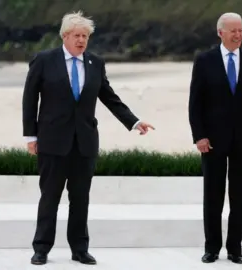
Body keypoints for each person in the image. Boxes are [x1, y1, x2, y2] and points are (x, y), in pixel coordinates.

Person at [22, 10, 154, 265]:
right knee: (50, 197)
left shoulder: (95, 63)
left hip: (85, 142)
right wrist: (31, 136)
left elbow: (109, 97)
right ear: (65, 36)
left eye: (85, 36)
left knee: (80, 199)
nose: (82, 40)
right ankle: (41, 248)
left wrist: (134, 121)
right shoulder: (44, 60)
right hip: (52, 141)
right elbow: (30, 99)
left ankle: (80, 249)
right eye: (77, 36)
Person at [188, 12, 242, 264]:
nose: (238, 34)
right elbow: (195, 103)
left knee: (239, 195)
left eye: (241, 30)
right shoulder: (204, 60)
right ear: (220, 32)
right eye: (233, 30)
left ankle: (235, 248)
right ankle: (212, 247)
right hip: (212, 140)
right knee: (212, 194)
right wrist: (199, 135)